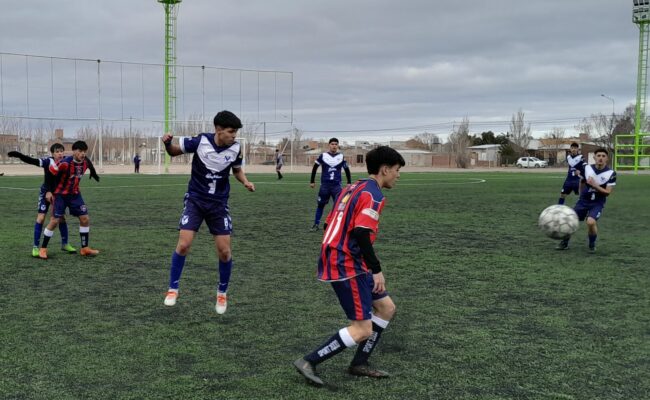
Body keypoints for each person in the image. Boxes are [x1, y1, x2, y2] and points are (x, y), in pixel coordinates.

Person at [294, 146, 405, 387]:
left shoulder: (353, 187)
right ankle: (309, 361)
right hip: (346, 263)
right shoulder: (373, 195)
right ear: (385, 169)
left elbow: (330, 222)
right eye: (397, 170)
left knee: (385, 308)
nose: (398, 175)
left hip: (348, 258)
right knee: (362, 329)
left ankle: (359, 363)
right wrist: (376, 269)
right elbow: (361, 232)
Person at [161, 110, 255, 314]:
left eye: (236, 132)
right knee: (184, 244)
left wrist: (245, 181)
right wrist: (167, 143)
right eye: (231, 131)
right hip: (196, 200)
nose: (234, 136)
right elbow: (174, 152)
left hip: (219, 204)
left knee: (224, 251)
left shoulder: (236, 148)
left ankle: (222, 293)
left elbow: (237, 169)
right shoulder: (200, 141)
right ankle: (173, 288)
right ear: (218, 130)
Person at [8, 144, 77, 257]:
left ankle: (65, 244)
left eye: (61, 151)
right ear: (52, 153)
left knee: (61, 218)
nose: (60, 153)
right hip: (46, 192)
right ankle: (35, 247)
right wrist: (18, 154)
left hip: (58, 194)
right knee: (41, 218)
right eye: (57, 151)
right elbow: (31, 160)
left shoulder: (66, 162)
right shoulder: (47, 162)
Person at [39, 140, 101, 259]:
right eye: (80, 151)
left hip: (75, 195)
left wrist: (93, 174)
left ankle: (84, 248)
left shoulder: (85, 162)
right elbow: (50, 174)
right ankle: (43, 249)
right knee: (54, 221)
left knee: (85, 218)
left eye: (84, 152)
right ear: (74, 151)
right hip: (60, 195)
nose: (83, 154)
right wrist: (48, 191)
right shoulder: (64, 163)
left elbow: (90, 165)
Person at [557, 148, 616, 252]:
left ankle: (592, 244)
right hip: (583, 201)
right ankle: (564, 243)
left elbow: (607, 192)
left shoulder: (611, 173)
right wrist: (581, 193)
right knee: (571, 220)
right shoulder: (587, 168)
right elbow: (583, 180)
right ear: (594, 157)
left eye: (603, 156)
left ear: (607, 158)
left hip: (597, 202)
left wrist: (595, 185)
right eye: (598, 156)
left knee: (590, 222)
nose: (601, 158)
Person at [309, 137, 351, 231]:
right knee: (320, 205)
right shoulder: (323, 156)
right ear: (329, 145)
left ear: (338, 145)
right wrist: (312, 181)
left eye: (336, 144)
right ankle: (316, 224)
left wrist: (349, 182)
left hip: (336, 186)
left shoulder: (341, 157)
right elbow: (315, 168)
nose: (334, 146)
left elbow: (347, 170)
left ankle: (338, 225)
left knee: (340, 206)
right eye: (332, 144)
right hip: (325, 186)